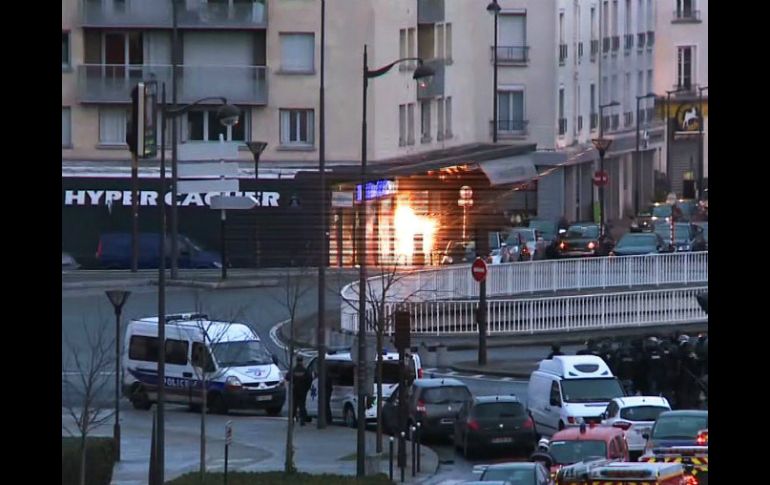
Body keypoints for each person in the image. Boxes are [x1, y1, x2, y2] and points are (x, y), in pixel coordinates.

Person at [287, 355, 311, 426]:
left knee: (294, 406)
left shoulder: (293, 370)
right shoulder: (305, 371)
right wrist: (306, 388)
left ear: (297, 361)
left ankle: (292, 420)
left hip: (295, 390)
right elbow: (309, 380)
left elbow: (287, 377)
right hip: (303, 391)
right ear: (302, 361)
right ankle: (302, 421)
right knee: (302, 405)